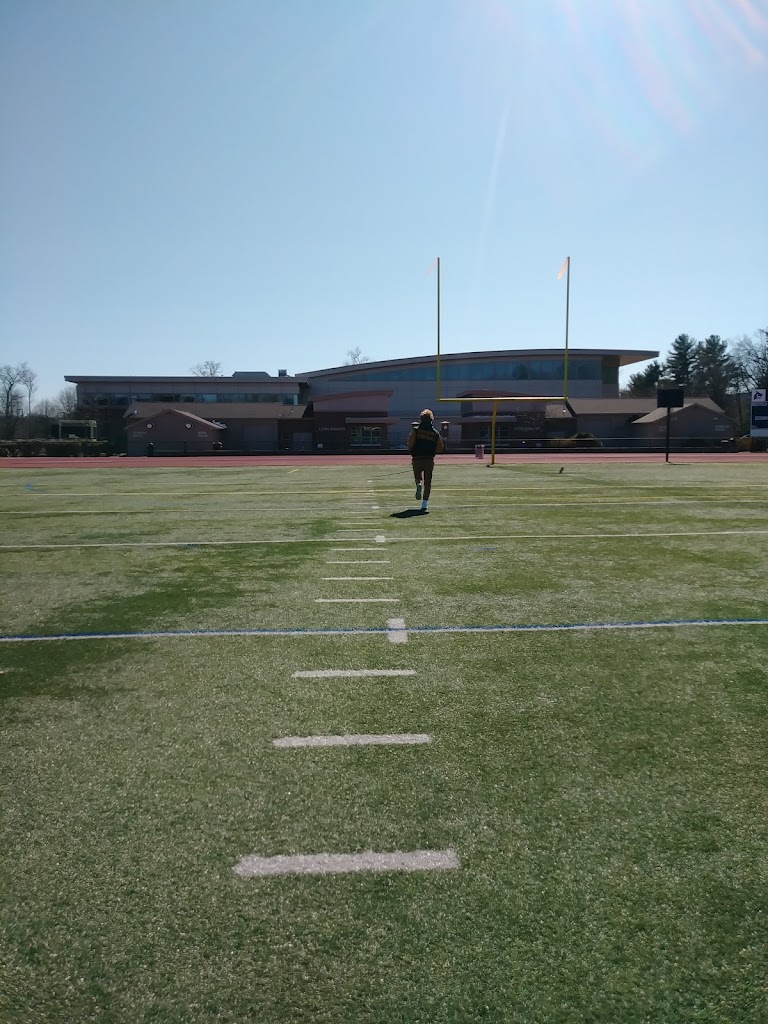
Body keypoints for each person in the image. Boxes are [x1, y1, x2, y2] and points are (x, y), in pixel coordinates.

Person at [406, 409, 445, 512]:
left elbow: (410, 443)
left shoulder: (415, 430)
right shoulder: (435, 433)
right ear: (431, 420)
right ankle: (424, 503)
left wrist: (411, 451)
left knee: (417, 476)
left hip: (417, 458)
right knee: (428, 481)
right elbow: (440, 447)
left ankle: (418, 484)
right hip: (429, 459)